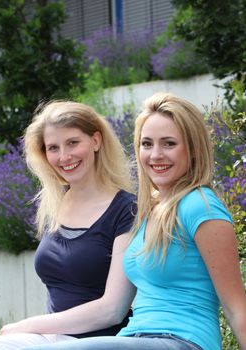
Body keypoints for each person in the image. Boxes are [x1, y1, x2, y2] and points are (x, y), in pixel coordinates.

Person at [20, 92, 246, 350]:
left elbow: (236, 308)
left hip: (183, 341)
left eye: (169, 144)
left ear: (193, 149)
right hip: (136, 337)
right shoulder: (150, 209)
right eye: (146, 144)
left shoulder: (201, 207)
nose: (155, 155)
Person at [0, 101, 136, 350]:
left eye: (73, 143)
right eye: (53, 148)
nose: (64, 157)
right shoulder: (55, 204)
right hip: (53, 338)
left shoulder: (126, 209)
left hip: (101, 339)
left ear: (96, 141)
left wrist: (27, 325)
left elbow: (112, 310)